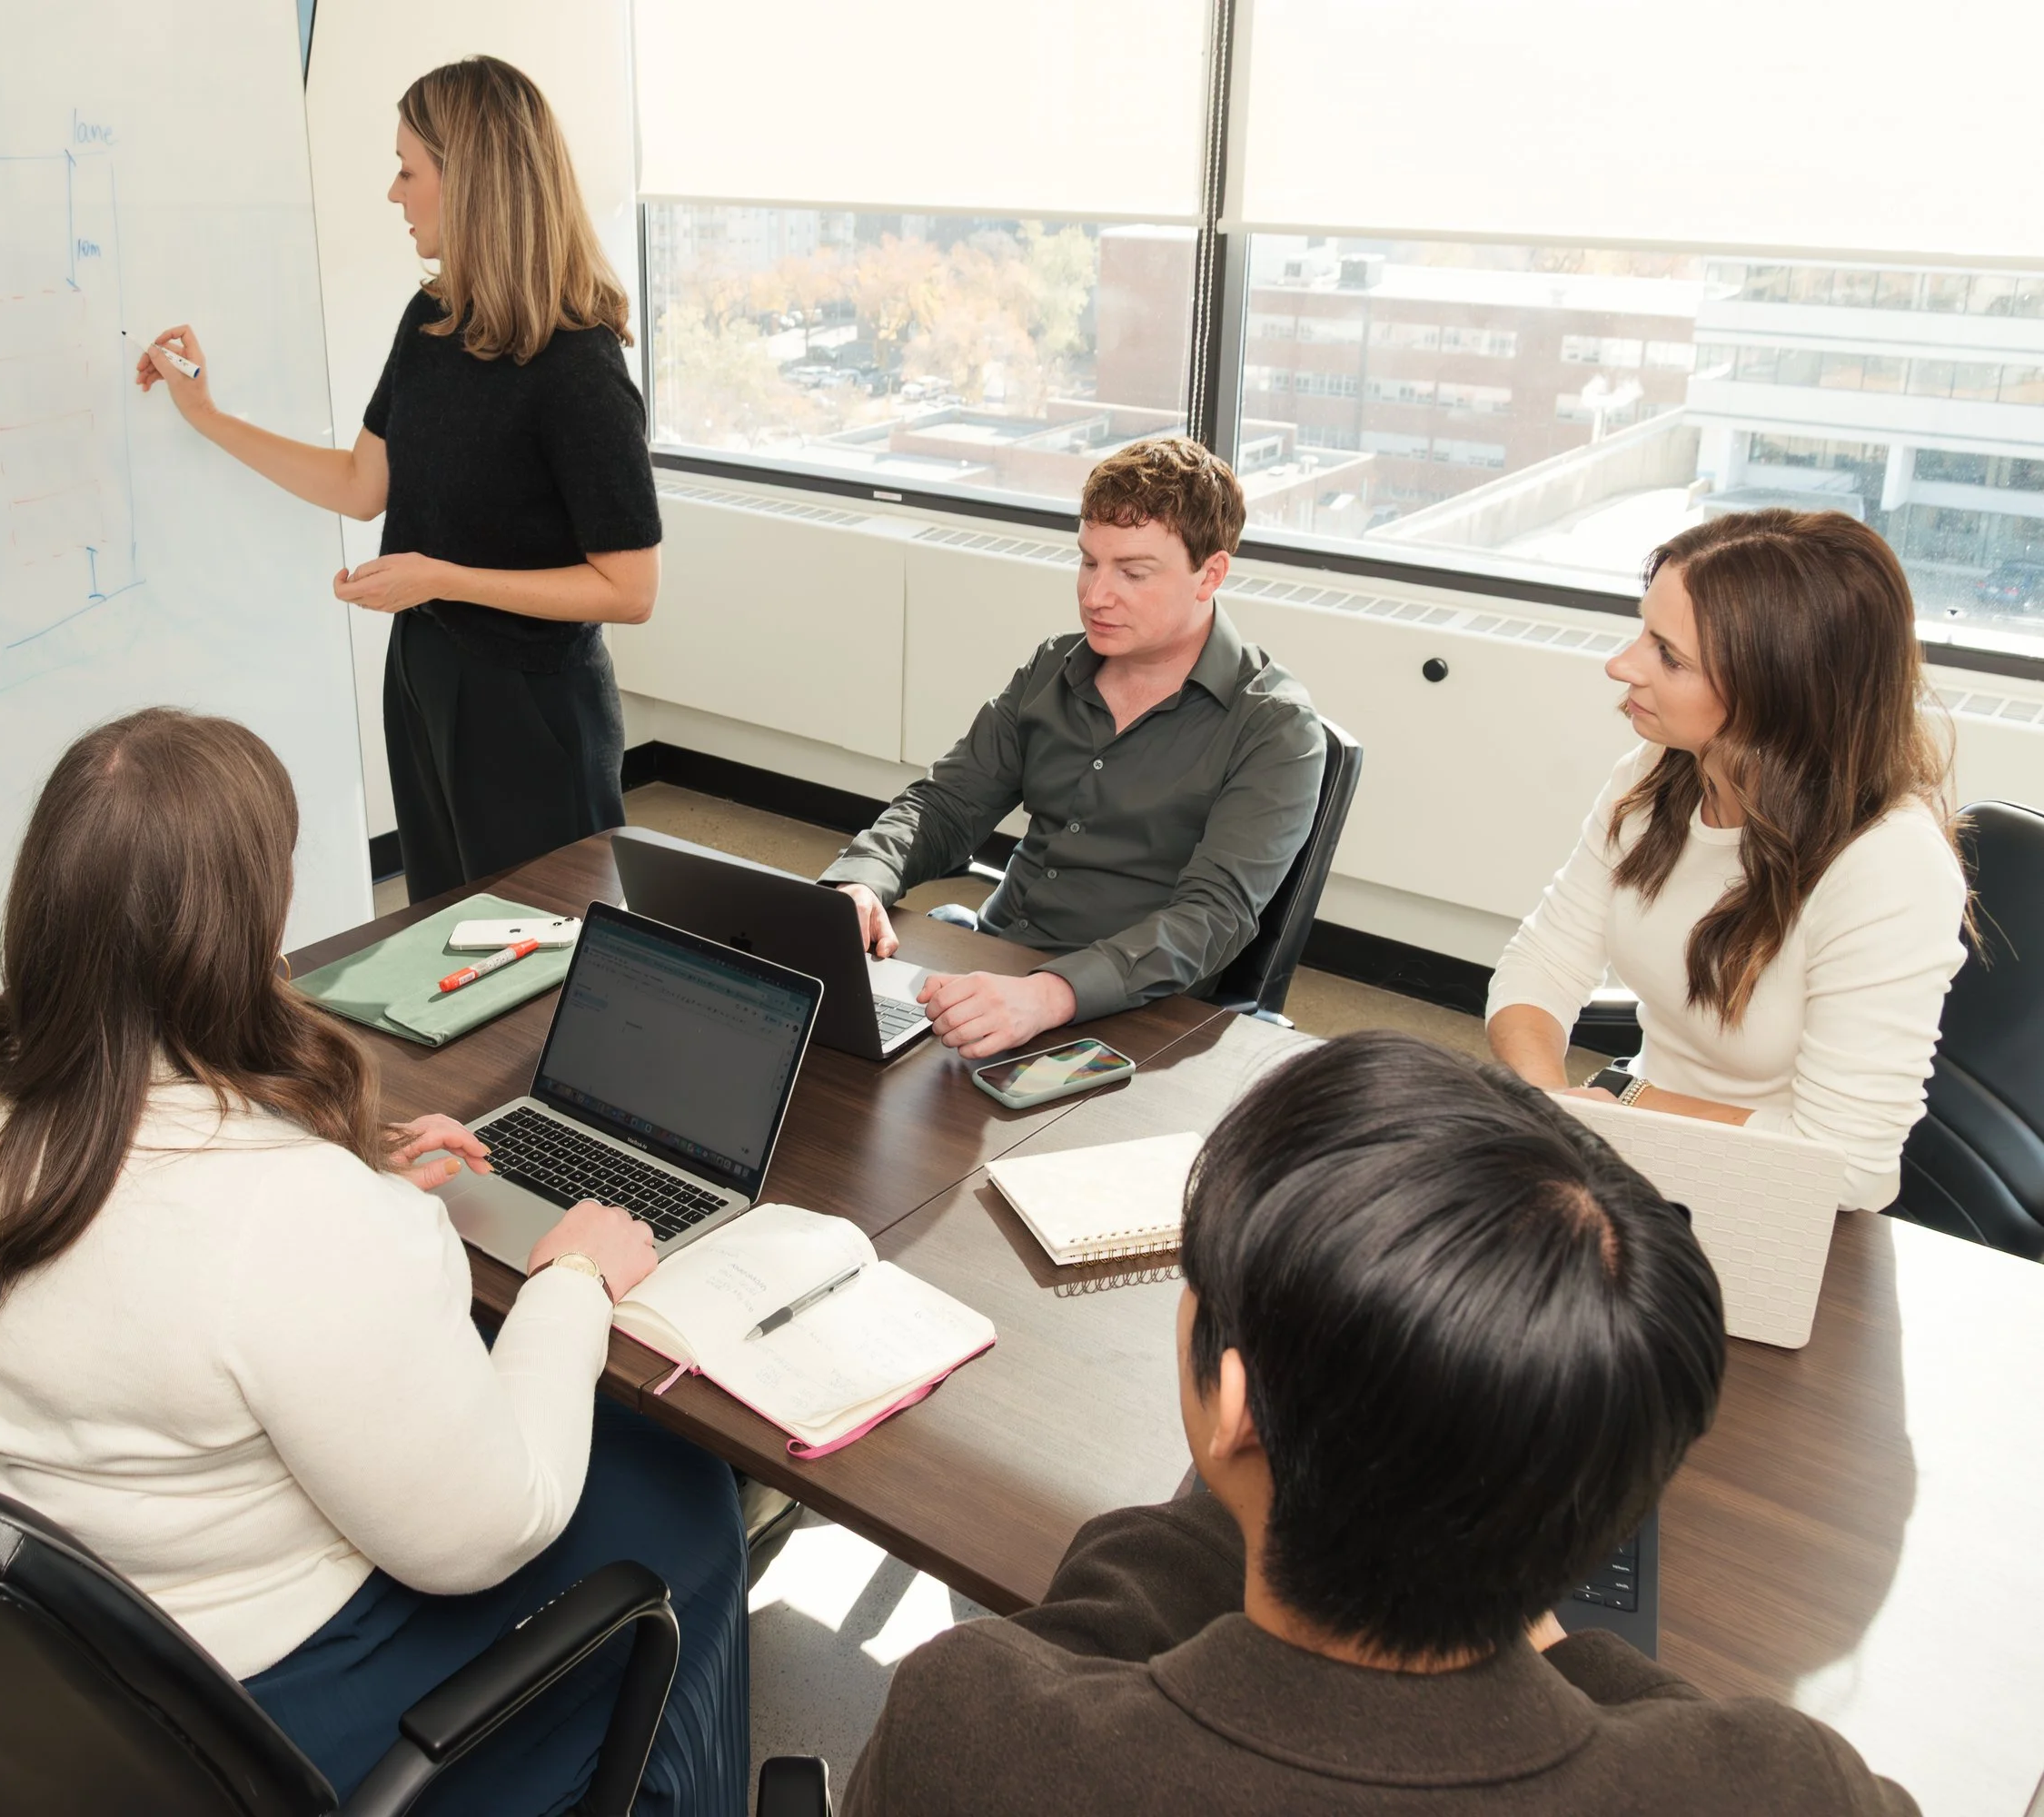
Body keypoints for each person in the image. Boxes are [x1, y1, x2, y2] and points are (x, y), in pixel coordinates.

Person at [0, 710, 745, 1816]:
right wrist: (571, 1278)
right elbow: (493, 1528)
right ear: (246, 928)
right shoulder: (286, 1218)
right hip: (247, 1719)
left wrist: (353, 1187)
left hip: (46, 1659)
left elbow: (166, 1244)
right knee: (679, 1484)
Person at [841, 1030, 1916, 1814]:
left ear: (1234, 1408)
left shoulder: (975, 1735)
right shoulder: (1793, 1788)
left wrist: (1251, 1484)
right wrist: (1556, 1628)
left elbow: (1058, 1658)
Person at [138, 56, 659, 903]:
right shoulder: (431, 321)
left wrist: (440, 577)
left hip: (530, 702)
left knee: (544, 949)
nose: (393, 192)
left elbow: (630, 588)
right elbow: (359, 482)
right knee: (443, 932)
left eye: (408, 170)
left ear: (472, 182)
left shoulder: (577, 363)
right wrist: (208, 417)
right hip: (424, 672)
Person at [1486, 508, 1970, 1210]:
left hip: (1775, 1201)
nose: (1621, 665)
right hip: (1637, 1151)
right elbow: (1542, 964)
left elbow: (1852, 1169)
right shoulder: (1653, 775)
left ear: (1779, 693)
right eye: (1642, 632)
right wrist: (1553, 1099)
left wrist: (1624, 1103)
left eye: (1668, 655)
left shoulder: (1891, 867)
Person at [820, 436, 1324, 1059]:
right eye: (1088, 561)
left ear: (1210, 574)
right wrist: (863, 881)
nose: (1095, 595)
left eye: (1133, 572)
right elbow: (948, 804)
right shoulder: (1054, 667)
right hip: (998, 963)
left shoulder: (1276, 729)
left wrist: (1051, 993)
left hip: (1133, 1009)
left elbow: (1210, 920)